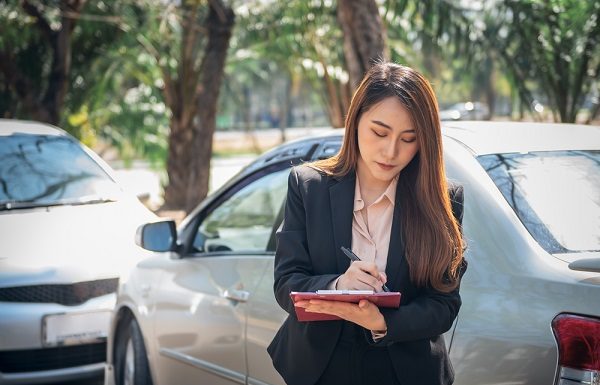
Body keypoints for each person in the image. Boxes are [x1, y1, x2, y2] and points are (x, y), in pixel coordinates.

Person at [267, 61, 467, 385]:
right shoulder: (308, 186)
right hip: (320, 370)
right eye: (379, 132)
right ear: (355, 120)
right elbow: (286, 282)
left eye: (409, 138)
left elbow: (444, 303)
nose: (391, 151)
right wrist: (337, 286)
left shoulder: (443, 199)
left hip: (404, 373)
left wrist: (383, 322)